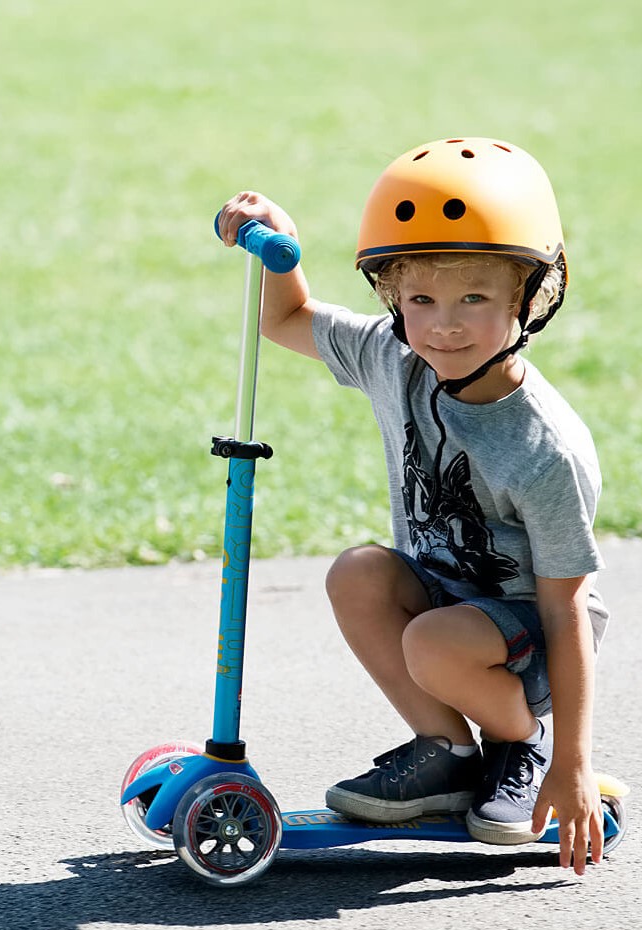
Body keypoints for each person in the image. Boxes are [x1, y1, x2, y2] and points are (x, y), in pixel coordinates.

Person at [215, 137, 609, 875]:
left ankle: (521, 748)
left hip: (530, 639)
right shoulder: (395, 357)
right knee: (358, 572)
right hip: (446, 604)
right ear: (394, 299)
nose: (443, 326)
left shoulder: (545, 450)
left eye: (474, 299)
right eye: (420, 300)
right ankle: (449, 753)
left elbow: (566, 610)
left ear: (529, 299)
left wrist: (575, 764)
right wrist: (283, 246)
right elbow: (287, 319)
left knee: (433, 641)